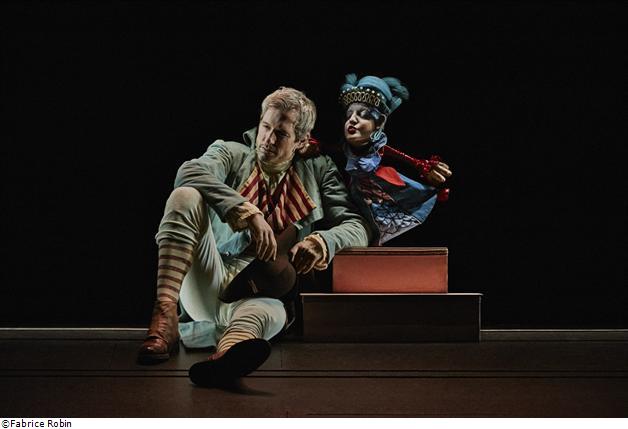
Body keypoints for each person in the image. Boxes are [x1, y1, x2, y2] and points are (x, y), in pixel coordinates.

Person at [137, 87, 370, 387]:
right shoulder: (231, 153)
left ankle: (226, 355)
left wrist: (322, 242)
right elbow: (188, 172)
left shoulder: (319, 170)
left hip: (261, 292)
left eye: (281, 134)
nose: (268, 139)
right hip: (210, 277)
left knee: (272, 313)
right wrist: (246, 212)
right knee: (184, 196)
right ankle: (164, 317)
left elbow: (357, 226)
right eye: (265, 127)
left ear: (301, 141)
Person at [338, 74, 453, 245]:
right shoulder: (339, 154)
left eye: (363, 115)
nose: (352, 120)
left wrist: (424, 167)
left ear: (379, 123)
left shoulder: (380, 151)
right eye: (349, 115)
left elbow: (407, 159)